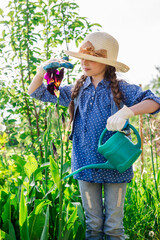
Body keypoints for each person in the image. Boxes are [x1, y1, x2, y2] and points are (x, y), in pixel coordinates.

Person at [28, 32, 160, 240]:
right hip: (85, 162)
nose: (84, 62)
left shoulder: (122, 88)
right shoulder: (77, 89)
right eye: (82, 58)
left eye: (92, 58)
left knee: (114, 228)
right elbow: (36, 92)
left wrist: (128, 111)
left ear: (106, 63)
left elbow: (155, 101)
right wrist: (41, 70)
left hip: (115, 164)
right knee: (93, 226)